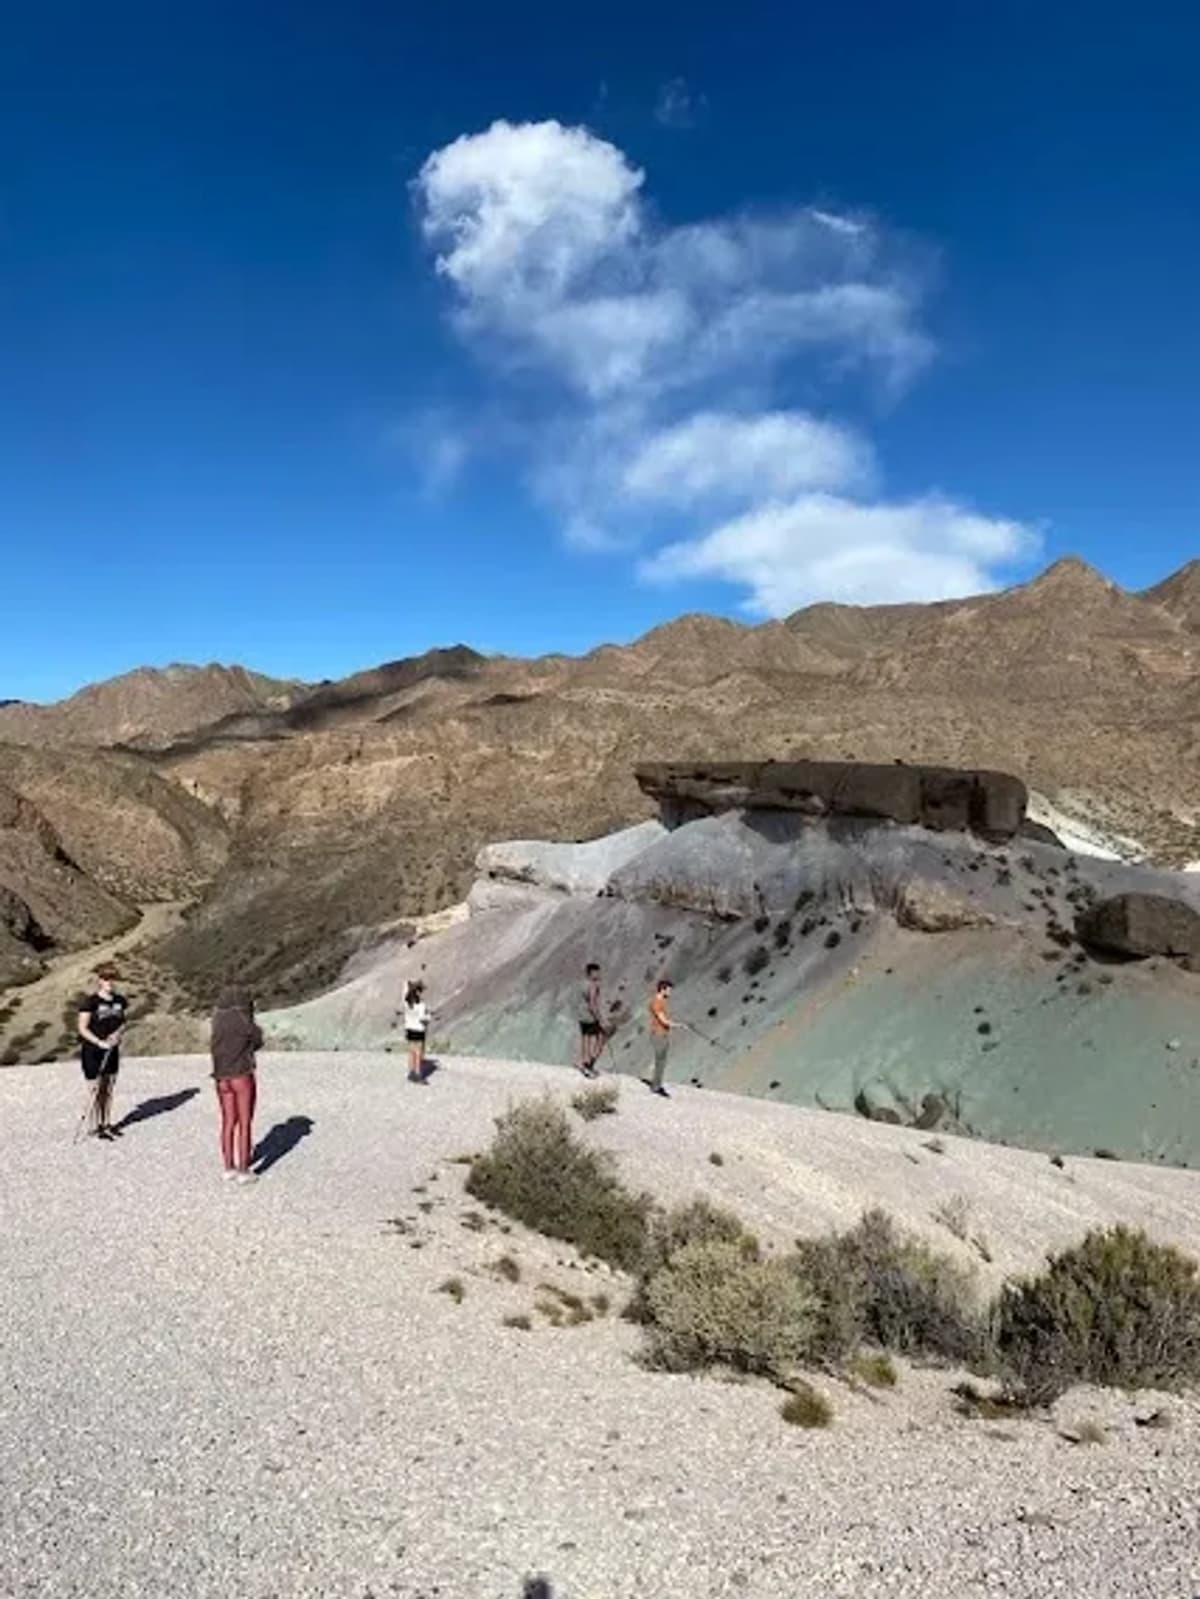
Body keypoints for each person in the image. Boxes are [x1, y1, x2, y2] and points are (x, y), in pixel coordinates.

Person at [210, 988, 263, 1184]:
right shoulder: (244, 1019)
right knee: (245, 1122)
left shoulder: (217, 1021)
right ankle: (244, 1170)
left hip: (221, 1077)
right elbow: (258, 1040)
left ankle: (228, 1167)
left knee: (228, 1122)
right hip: (241, 1074)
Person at [78, 964, 129, 1140]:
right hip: (93, 1050)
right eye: (106, 979)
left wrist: (118, 1034)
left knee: (108, 1088)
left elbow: (123, 1022)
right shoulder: (90, 1002)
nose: (110, 983)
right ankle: (94, 1126)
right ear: (100, 981)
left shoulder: (120, 1001)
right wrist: (99, 1042)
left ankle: (106, 1123)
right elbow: (82, 1028)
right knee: (95, 1088)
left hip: (112, 1050)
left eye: (113, 979)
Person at [646, 977, 675, 1097]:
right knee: (660, 1061)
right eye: (668, 990)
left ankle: (657, 1085)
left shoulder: (660, 1001)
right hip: (658, 1034)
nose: (670, 992)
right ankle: (656, 1087)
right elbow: (663, 1020)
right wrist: (678, 1025)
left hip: (662, 1034)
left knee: (662, 1061)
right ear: (662, 989)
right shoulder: (657, 1002)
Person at [577, 961, 605, 1077]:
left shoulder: (583, 984)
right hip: (590, 1015)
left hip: (582, 1014)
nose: (598, 974)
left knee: (585, 1039)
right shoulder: (593, 985)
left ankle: (584, 1064)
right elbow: (592, 1004)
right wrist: (599, 1018)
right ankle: (590, 1064)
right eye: (596, 972)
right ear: (592, 973)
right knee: (601, 1037)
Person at [404, 980, 430, 1083]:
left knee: (411, 1051)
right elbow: (423, 1018)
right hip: (419, 1029)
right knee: (418, 1052)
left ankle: (411, 1072)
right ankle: (418, 1074)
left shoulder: (407, 1003)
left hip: (409, 1029)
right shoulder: (421, 1005)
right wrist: (429, 1017)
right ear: (418, 992)